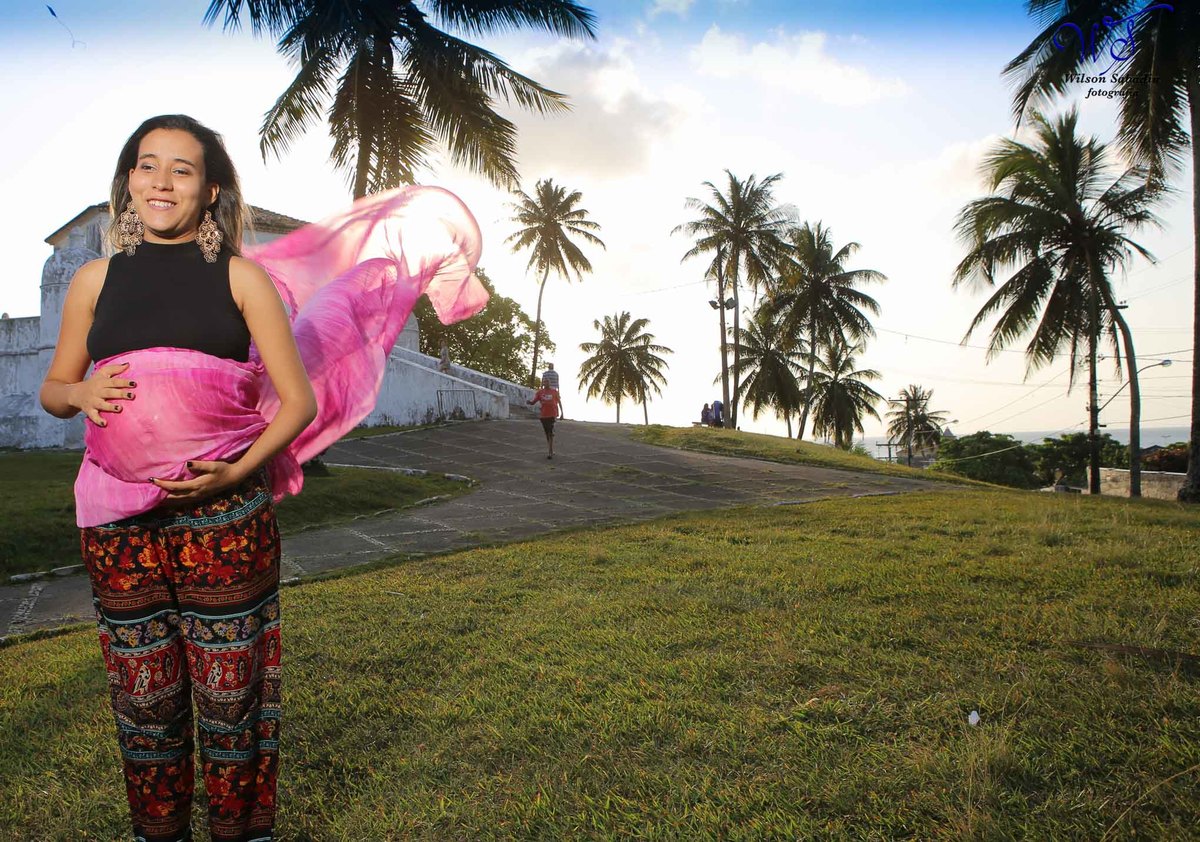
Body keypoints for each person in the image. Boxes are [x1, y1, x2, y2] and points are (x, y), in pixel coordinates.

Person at [39, 115, 487, 842]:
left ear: (209, 189)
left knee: (231, 698)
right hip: (118, 524)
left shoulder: (240, 278)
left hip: (225, 521)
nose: (160, 181)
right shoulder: (94, 281)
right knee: (143, 699)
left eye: (181, 170)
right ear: (128, 181)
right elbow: (55, 387)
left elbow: (297, 401)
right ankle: (160, 833)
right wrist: (82, 394)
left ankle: (240, 833)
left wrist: (235, 472)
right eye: (147, 165)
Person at [528, 376, 564, 458]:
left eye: (547, 382)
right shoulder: (540, 392)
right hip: (544, 416)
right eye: (544, 382)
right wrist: (529, 402)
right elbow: (534, 402)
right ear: (543, 383)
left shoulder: (554, 392)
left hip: (552, 414)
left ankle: (550, 452)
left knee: (550, 433)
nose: (546, 383)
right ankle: (550, 449)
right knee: (547, 433)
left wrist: (562, 413)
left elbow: (559, 402)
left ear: (550, 383)